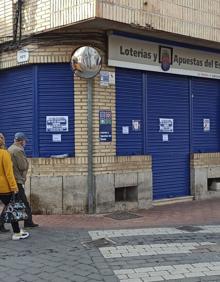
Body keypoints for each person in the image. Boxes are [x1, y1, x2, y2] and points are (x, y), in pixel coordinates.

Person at [0, 132, 29, 240]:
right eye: (2, 137)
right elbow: (9, 173)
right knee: (12, 210)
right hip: (4, 188)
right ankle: (17, 233)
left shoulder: (7, 151)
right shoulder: (4, 153)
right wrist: (14, 187)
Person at [8, 132, 39, 228]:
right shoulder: (18, 150)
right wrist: (27, 163)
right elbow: (22, 166)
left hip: (13, 180)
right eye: (25, 141)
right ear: (21, 141)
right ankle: (28, 223)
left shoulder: (10, 149)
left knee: (11, 203)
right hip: (18, 180)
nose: (25, 143)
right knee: (25, 203)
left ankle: (1, 224)